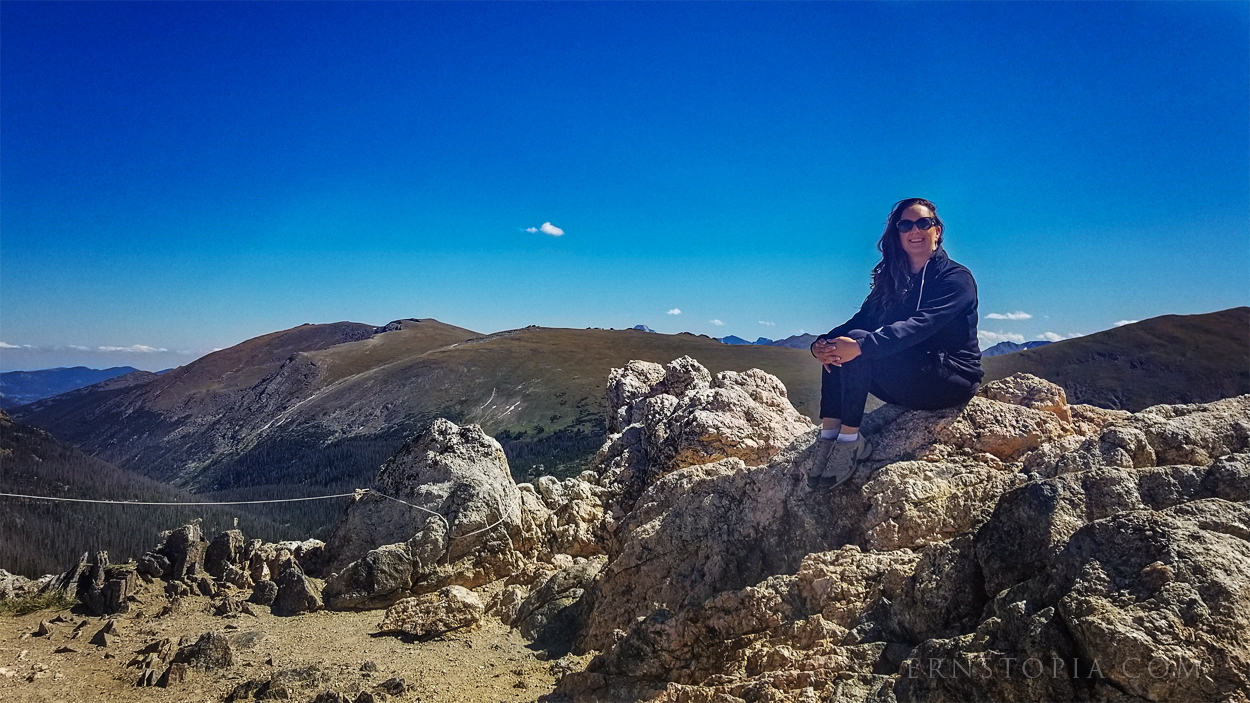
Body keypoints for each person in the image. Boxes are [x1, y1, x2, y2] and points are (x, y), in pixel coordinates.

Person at [808, 197, 983, 488]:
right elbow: (862, 318)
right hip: (910, 374)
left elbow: (920, 326)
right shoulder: (894, 278)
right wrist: (822, 345)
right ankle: (829, 435)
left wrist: (862, 346)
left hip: (950, 379)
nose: (914, 230)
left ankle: (851, 442)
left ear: (936, 231)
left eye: (923, 223)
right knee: (842, 345)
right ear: (897, 234)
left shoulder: (956, 278)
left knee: (860, 344)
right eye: (905, 225)